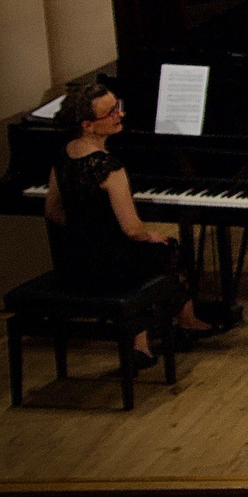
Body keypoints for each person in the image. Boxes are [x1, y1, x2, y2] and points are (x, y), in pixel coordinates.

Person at [43, 85, 216, 358]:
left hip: (74, 264)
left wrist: (86, 232)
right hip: (109, 267)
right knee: (169, 249)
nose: (120, 114)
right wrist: (152, 236)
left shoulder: (63, 155)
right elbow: (132, 229)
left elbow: (52, 210)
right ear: (88, 125)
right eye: (110, 112)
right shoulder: (108, 167)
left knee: (144, 256)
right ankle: (181, 324)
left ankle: (142, 341)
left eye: (118, 106)